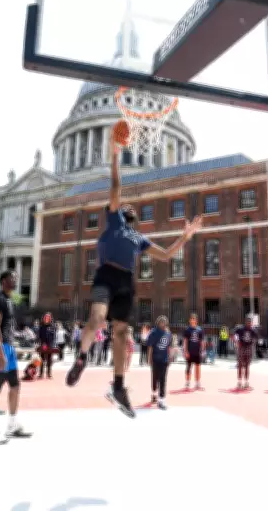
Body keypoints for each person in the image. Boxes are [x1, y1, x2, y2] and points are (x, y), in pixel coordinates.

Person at [64, 136, 202, 418]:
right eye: (126, 207)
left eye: (131, 209)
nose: (129, 208)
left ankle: (117, 385)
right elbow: (115, 187)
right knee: (98, 318)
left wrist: (185, 237)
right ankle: (82, 357)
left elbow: (165, 255)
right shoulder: (113, 219)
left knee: (122, 332)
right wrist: (115, 155)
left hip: (126, 281)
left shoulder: (138, 236)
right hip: (107, 273)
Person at [0, 271, 32, 444]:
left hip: (8, 347)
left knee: (15, 386)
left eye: (17, 278)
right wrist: (1, 353)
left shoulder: (10, 301)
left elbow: (6, 326)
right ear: (3, 281)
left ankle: (12, 424)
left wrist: (11, 347)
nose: (15, 280)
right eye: (12, 278)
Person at [146, 316, 172, 410]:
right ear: (158, 323)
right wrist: (149, 358)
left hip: (164, 360)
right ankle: (154, 394)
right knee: (155, 378)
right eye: (162, 322)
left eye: (165, 322)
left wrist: (169, 357)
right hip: (155, 359)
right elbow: (150, 346)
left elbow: (169, 346)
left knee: (163, 379)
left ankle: (162, 400)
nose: (163, 323)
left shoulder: (168, 333)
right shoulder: (154, 332)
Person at [183, 314, 205, 390]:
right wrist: (185, 351)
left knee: (198, 367)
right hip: (189, 352)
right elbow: (185, 341)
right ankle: (187, 383)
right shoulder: (187, 330)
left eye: (194, 319)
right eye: (191, 319)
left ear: (196, 320)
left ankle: (197, 383)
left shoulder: (200, 330)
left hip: (197, 352)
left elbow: (202, 341)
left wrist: (202, 351)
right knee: (188, 367)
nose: (193, 320)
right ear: (189, 320)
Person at [233, 318, 256, 390]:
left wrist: (252, 343)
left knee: (247, 365)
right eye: (248, 322)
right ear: (245, 322)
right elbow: (234, 334)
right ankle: (239, 382)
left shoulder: (252, 330)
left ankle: (246, 382)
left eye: (250, 322)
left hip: (249, 348)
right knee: (240, 365)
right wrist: (236, 341)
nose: (249, 324)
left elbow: (255, 338)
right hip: (241, 347)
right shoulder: (240, 329)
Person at [37, 313, 56, 379]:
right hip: (43, 345)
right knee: (42, 360)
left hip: (50, 345)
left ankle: (49, 374)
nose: (46, 319)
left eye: (48, 318)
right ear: (43, 318)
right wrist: (43, 343)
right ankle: (41, 374)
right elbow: (39, 336)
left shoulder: (52, 326)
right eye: (45, 318)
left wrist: (52, 345)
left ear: (50, 319)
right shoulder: (41, 326)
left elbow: (53, 337)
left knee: (49, 360)